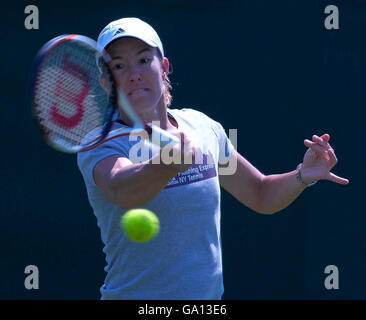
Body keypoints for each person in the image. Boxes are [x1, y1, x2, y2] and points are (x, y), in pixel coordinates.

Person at [77, 17, 349, 300]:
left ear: (165, 67)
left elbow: (260, 193)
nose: (134, 73)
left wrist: (302, 175)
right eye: (119, 66)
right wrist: (166, 164)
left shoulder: (205, 126)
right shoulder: (100, 142)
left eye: (144, 60)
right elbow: (121, 188)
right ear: (105, 83)